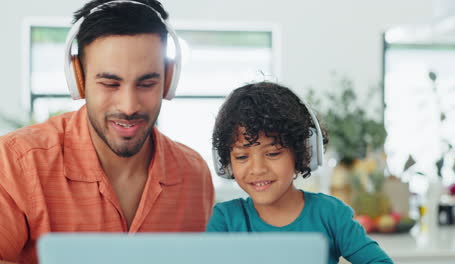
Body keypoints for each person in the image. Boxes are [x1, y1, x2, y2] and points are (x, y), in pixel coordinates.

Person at [0, 1, 214, 263]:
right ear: (78, 79)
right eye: (110, 84)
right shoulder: (17, 162)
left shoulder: (193, 174)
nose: (129, 106)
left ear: (169, 80)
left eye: (147, 83)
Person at [207, 82, 393, 264]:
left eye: (272, 153)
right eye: (241, 157)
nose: (257, 169)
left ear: (302, 152)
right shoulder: (224, 220)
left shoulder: (331, 214)